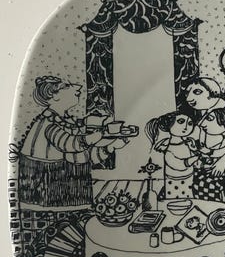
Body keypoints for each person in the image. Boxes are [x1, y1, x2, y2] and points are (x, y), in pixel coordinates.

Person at [17, 75, 127, 210]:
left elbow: (82, 155)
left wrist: (110, 146)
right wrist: (102, 133)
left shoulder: (65, 120)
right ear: (55, 96)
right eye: (67, 86)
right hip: (48, 183)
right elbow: (72, 145)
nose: (78, 87)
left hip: (65, 183)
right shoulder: (49, 124)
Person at [145, 112, 198, 199]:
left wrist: (195, 153)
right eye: (181, 122)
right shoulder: (169, 148)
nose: (186, 127)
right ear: (169, 125)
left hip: (189, 177)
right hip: (175, 181)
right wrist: (192, 160)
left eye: (190, 123)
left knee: (188, 198)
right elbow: (178, 164)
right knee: (175, 199)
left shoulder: (187, 143)